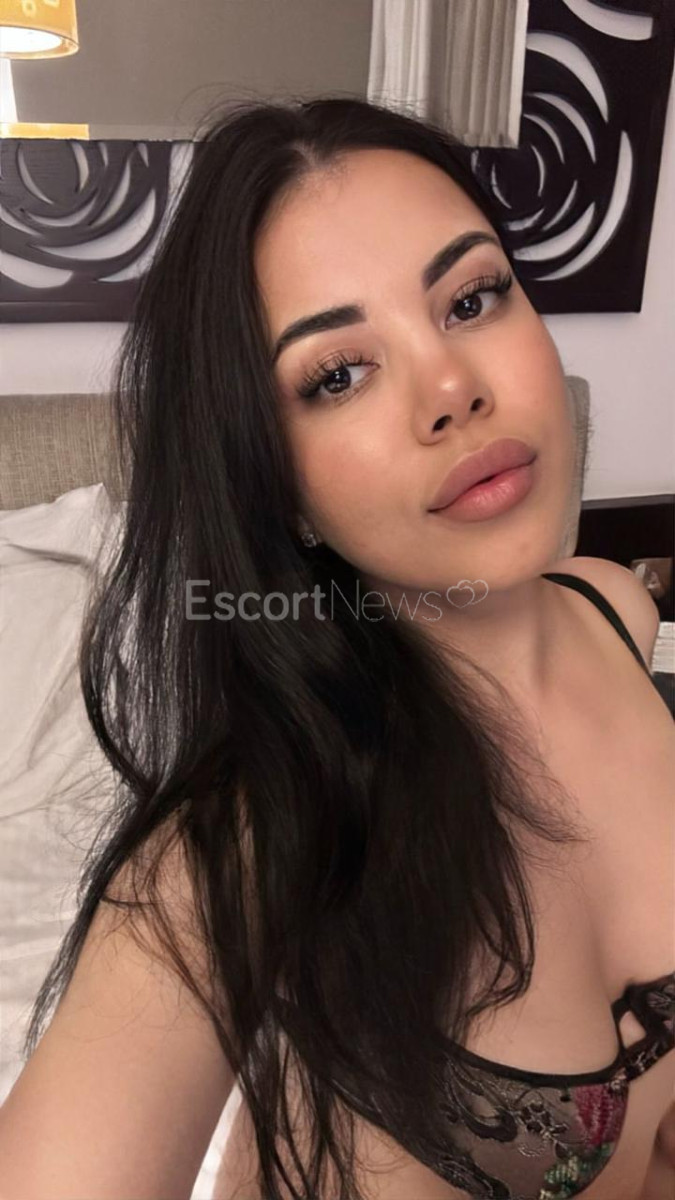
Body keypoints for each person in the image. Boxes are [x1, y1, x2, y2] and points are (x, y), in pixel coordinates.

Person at [0, 95, 672, 1200]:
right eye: (336, 376)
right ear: (280, 487)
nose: (451, 390)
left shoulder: (618, 609)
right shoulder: (252, 838)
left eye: (472, 298)